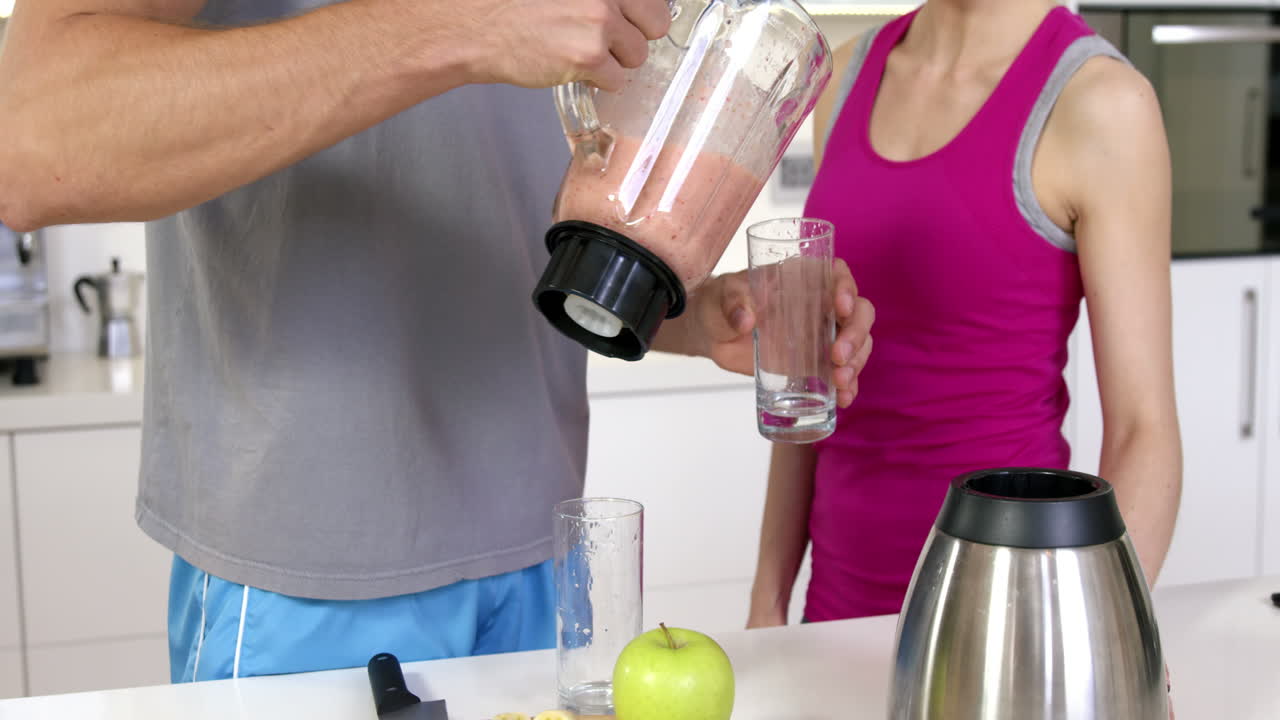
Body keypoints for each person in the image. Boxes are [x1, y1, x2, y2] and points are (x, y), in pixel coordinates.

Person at [0, 0, 875, 681]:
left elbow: (496, 195)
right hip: (311, 576)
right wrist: (465, 23)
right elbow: (33, 142)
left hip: (538, 557)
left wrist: (690, 312)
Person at [747, 0, 1181, 629]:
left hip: (1009, 626)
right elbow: (812, 380)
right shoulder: (842, 76)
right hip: (835, 614)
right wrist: (767, 602)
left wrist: (1096, 643)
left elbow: (1144, 431)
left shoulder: (1103, 104)